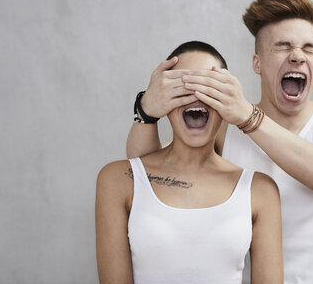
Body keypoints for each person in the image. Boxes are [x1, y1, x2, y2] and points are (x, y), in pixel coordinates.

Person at [126, 0, 313, 283]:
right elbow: (145, 175)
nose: (297, 55)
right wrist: (146, 112)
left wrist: (246, 116)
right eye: (283, 46)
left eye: (309, 48)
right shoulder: (224, 127)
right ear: (257, 64)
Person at [96, 41, 283, 284]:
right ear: (162, 98)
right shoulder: (116, 180)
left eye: (210, 87)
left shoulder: (260, 190)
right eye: (183, 87)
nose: (197, 97)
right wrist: (145, 108)